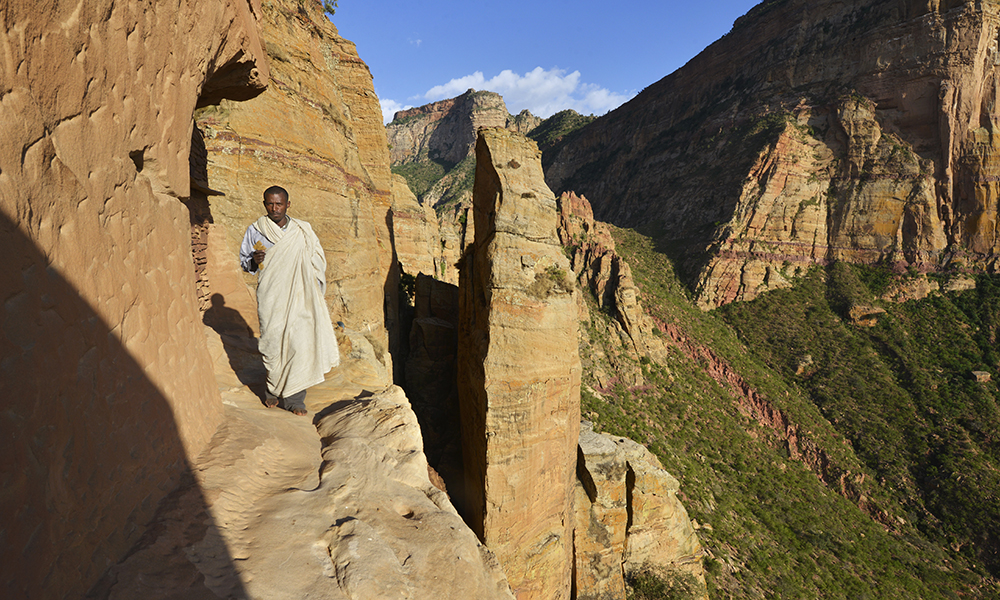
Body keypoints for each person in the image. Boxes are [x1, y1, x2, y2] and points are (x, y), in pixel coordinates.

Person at [239, 185, 340, 415]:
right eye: (270, 204)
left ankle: (295, 399)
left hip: (300, 294)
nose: (275, 208)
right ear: (264, 204)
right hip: (271, 295)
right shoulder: (256, 230)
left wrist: (313, 287)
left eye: (279, 204)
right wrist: (254, 260)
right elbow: (246, 263)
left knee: (299, 344)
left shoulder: (303, 230)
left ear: (288, 204)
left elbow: (317, 259)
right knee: (272, 342)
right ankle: (272, 391)